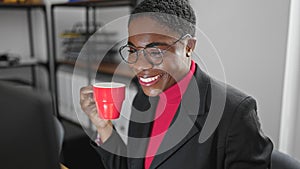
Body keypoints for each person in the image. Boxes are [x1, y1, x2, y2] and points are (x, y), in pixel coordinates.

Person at [80, 0, 273, 168]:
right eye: (132, 50)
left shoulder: (234, 113)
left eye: (155, 51)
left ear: (188, 47)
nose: (139, 65)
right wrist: (104, 127)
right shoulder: (143, 98)